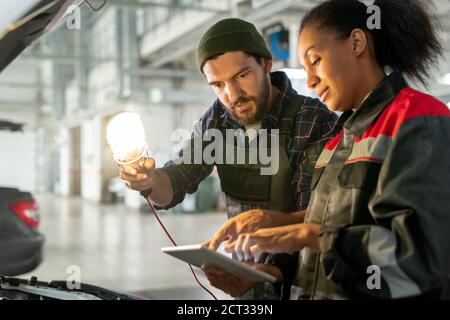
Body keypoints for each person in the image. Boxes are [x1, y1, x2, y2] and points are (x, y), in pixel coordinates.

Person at [211, 0, 450, 299]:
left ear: (357, 43)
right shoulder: (337, 142)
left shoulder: (417, 118)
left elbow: (419, 260)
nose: (310, 81)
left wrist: (305, 234)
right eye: (304, 68)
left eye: (315, 60)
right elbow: (342, 228)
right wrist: (277, 263)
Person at [119, 18, 337, 299]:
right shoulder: (217, 121)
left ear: (266, 64)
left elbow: (322, 219)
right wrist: (148, 180)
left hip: (305, 282)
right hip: (245, 278)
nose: (232, 95)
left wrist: (271, 270)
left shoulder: (312, 120)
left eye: (241, 76)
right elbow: (173, 185)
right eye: (218, 84)